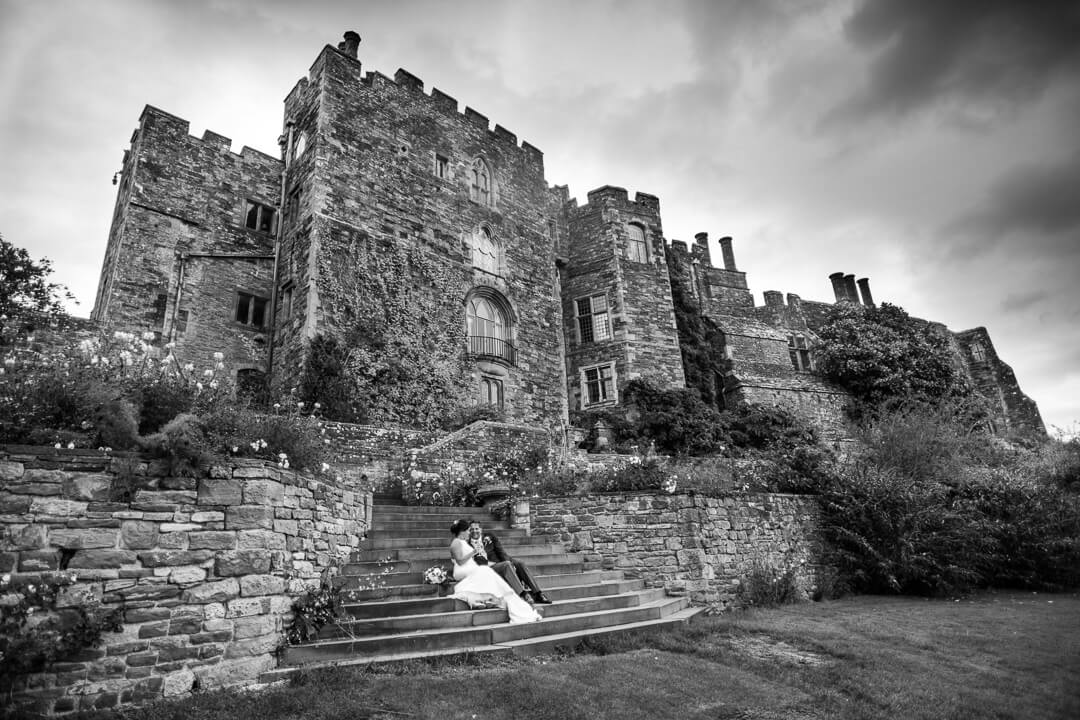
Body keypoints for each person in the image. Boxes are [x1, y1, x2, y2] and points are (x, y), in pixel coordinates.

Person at [448, 519, 541, 623]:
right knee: (486, 571)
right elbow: (460, 562)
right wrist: (474, 552)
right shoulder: (456, 543)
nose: (470, 532)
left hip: (473, 566)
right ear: (462, 531)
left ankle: (518, 595)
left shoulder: (463, 542)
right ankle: (516, 595)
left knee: (490, 570)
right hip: (462, 570)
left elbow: (497, 553)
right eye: (469, 530)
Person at [469, 521, 553, 604]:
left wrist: (510, 562)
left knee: (520, 563)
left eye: (476, 529)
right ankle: (523, 594)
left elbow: (500, 551)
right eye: (472, 529)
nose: (474, 531)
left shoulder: (490, 536)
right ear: (469, 531)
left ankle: (538, 593)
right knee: (506, 564)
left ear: (481, 529)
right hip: (489, 568)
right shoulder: (467, 544)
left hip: (499, 562)